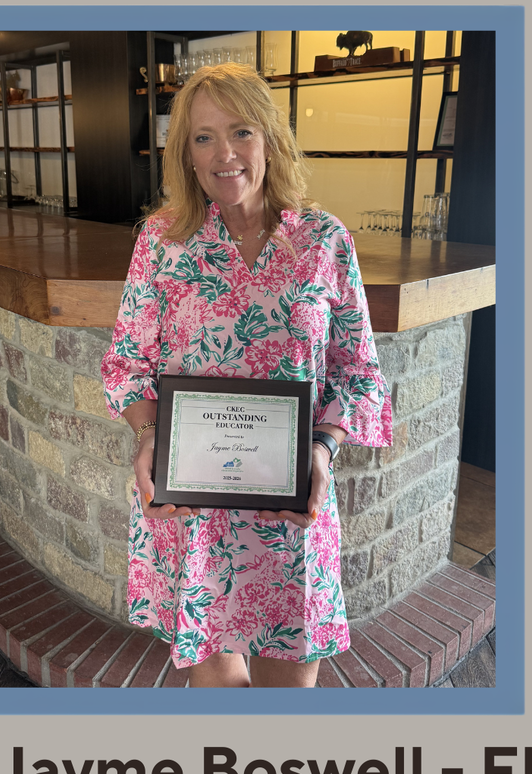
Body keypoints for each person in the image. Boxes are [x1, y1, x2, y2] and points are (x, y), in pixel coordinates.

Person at [101, 62, 392, 687]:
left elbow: (359, 371)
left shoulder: (323, 241)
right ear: (185, 152)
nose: (224, 153)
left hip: (292, 506)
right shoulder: (162, 240)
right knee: (220, 699)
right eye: (203, 137)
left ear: (272, 139)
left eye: (241, 132)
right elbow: (126, 363)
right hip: (193, 512)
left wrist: (321, 447)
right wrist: (150, 436)